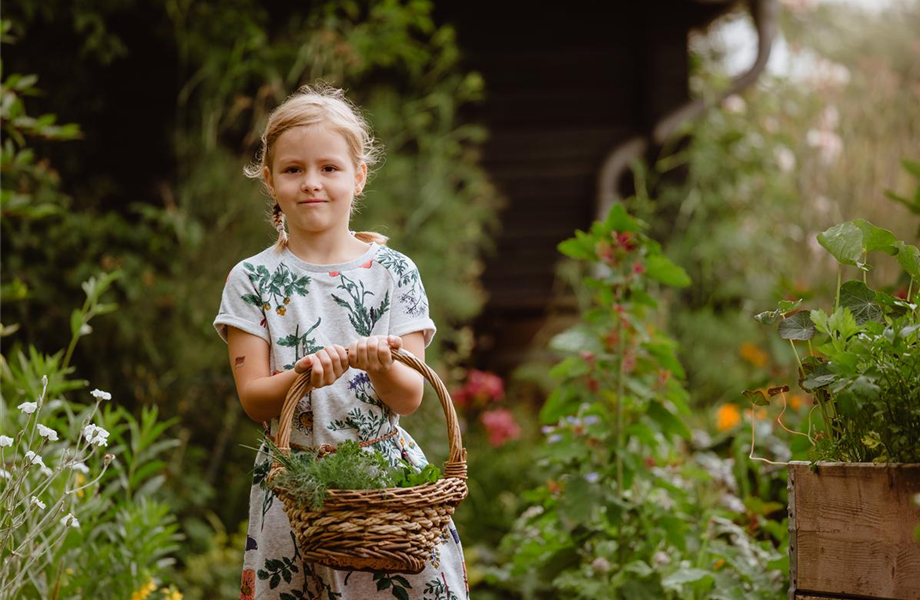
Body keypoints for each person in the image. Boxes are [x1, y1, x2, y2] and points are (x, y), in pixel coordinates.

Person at [213, 83, 469, 600]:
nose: (312, 183)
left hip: (384, 490)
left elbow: (409, 396)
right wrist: (303, 377)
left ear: (358, 176)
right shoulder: (251, 279)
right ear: (269, 180)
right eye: (293, 169)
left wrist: (380, 367)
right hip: (294, 491)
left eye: (329, 168)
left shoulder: (394, 272)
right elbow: (254, 397)